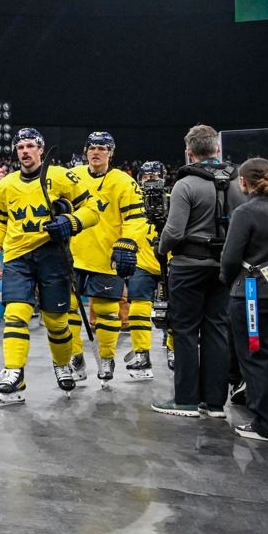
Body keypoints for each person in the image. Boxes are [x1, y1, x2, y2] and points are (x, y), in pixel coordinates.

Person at [0, 129, 100, 403]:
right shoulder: (5, 184)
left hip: (54, 255)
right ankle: (14, 372)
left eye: (30, 146)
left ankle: (62, 364)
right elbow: (0, 221)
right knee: (15, 313)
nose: (24, 151)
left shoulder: (62, 176)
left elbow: (92, 209)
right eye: (20, 147)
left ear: (41, 149)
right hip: (17, 256)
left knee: (56, 322)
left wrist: (70, 222)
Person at [155, 125, 245, 419]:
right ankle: (215, 403)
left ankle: (186, 400)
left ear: (189, 152)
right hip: (223, 268)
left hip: (187, 267)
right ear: (217, 149)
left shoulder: (186, 184)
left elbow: (174, 231)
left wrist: (160, 248)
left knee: (184, 332)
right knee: (217, 330)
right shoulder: (235, 182)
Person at [220, 158, 268, 441]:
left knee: (254, 358)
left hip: (252, 295)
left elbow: (230, 258)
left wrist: (227, 280)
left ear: (243, 181)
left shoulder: (244, 212)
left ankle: (267, 424)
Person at [63, 132, 148, 386]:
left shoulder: (124, 181)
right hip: (73, 255)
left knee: (108, 312)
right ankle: (75, 356)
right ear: (85, 151)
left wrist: (128, 243)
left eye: (102, 148)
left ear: (111, 153)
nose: (95, 152)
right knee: (66, 309)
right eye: (91, 147)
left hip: (107, 256)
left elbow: (136, 219)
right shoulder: (72, 176)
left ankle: (107, 357)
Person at [122, 160, 168, 379]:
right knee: (137, 308)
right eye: (146, 178)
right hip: (142, 262)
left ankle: (174, 350)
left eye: (154, 177)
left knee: (175, 310)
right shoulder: (132, 203)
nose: (150, 182)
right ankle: (141, 354)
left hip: (170, 263)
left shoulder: (174, 201)